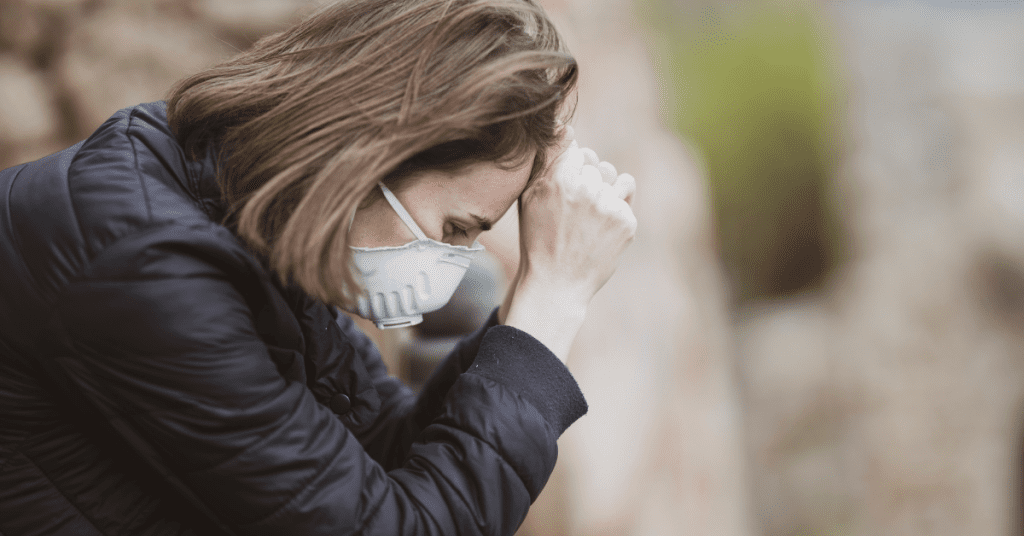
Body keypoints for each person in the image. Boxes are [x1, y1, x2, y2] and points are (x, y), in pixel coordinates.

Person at [0, 0, 637, 534]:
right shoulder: (144, 262)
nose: (454, 263)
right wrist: (554, 301)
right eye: (455, 230)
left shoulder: (237, 219)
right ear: (372, 153)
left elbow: (385, 453)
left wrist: (524, 311)